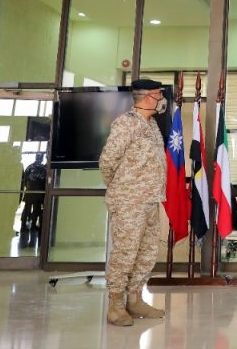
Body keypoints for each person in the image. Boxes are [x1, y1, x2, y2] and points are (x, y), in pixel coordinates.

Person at [99, 79, 168, 327]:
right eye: (159, 95)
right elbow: (107, 161)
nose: (162, 100)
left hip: (150, 199)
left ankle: (135, 299)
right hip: (129, 201)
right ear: (148, 97)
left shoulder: (152, 125)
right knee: (125, 252)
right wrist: (123, 188)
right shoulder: (126, 123)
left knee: (146, 252)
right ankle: (116, 306)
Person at [19, 153, 47, 236]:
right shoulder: (31, 167)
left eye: (40, 157)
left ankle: (32, 225)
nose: (39, 158)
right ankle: (24, 225)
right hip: (32, 191)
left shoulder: (42, 169)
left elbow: (44, 180)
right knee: (28, 209)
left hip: (37, 192)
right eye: (38, 156)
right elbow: (25, 180)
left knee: (35, 209)